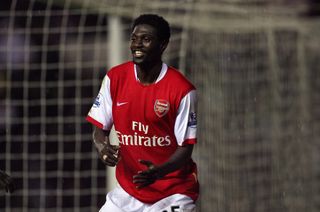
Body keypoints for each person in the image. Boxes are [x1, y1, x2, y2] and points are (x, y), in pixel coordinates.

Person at [86, 14, 199, 212]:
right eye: (134, 38)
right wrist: (102, 146)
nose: (137, 45)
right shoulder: (115, 78)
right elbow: (99, 128)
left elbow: (185, 148)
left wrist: (159, 171)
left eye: (146, 39)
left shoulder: (182, 90)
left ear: (163, 45)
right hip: (130, 190)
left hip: (173, 191)